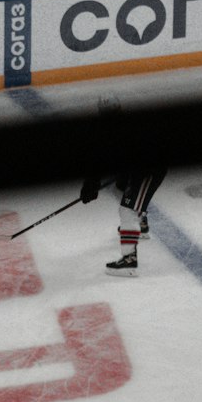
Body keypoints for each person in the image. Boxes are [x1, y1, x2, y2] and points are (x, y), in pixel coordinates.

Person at [80, 98, 167, 278]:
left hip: (149, 170)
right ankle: (140, 225)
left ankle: (129, 261)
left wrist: (92, 183)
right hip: (139, 168)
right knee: (120, 188)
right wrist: (92, 183)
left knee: (127, 210)